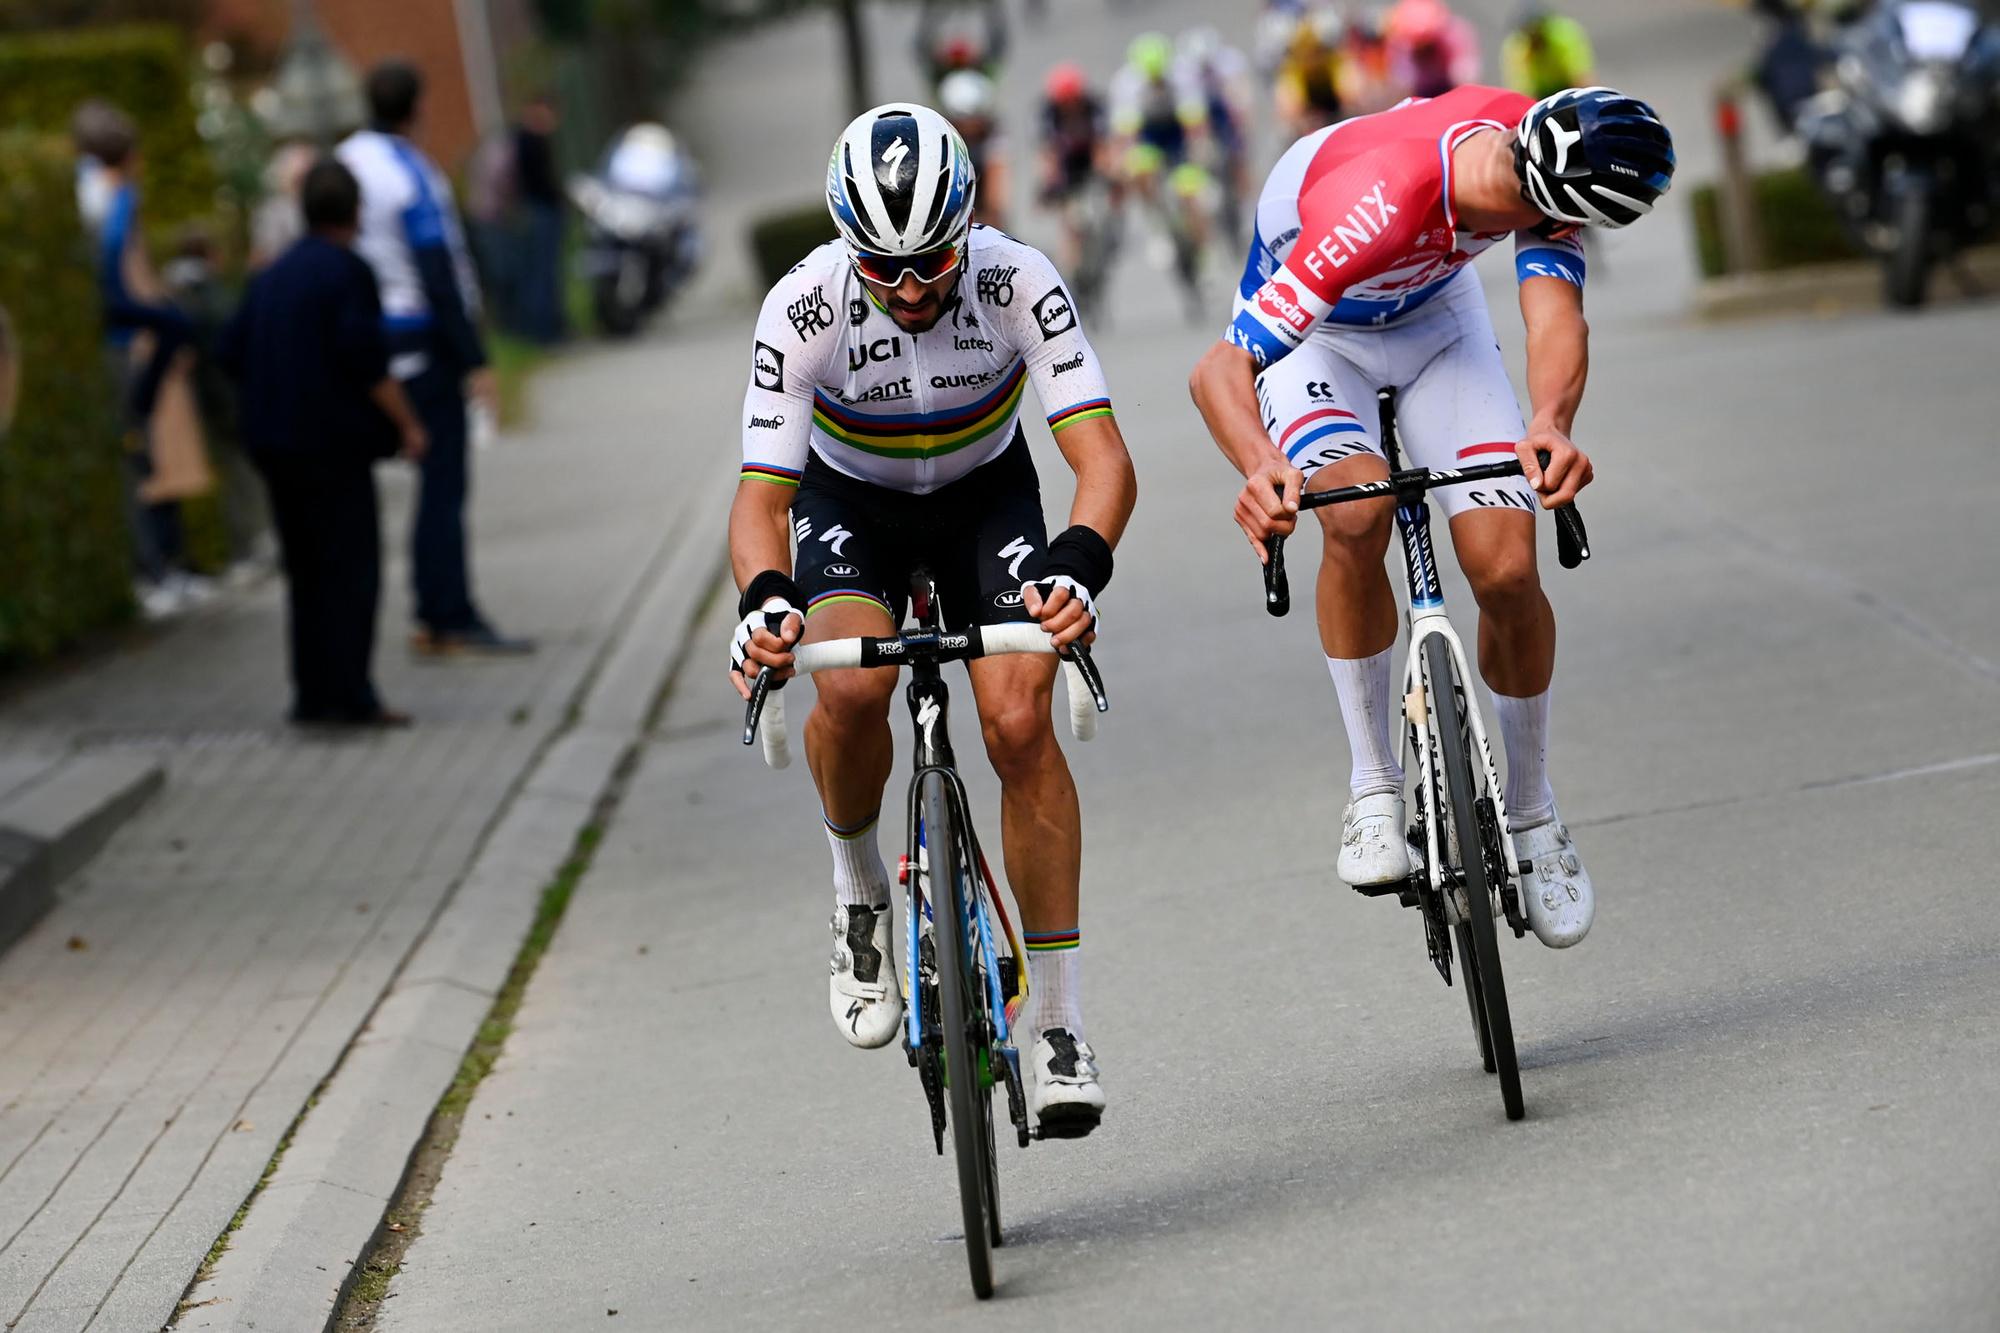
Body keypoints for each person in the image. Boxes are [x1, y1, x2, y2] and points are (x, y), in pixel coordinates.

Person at [729, 104, 1138, 1134]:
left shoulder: (1016, 280)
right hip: (847, 505)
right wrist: (766, 600)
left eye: (931, 265)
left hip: (983, 497)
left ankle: (1054, 1022)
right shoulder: (803, 306)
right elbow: (761, 501)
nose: (910, 291)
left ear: (967, 232)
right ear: (846, 247)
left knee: (1014, 719)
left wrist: (1077, 566)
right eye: (884, 268)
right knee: (854, 683)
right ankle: (860, 885)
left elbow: (1100, 458)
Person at [1188, 86, 1675, 949]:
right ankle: (1374, 784)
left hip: (1439, 320)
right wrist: (1261, 465)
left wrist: (1550, 423)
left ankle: (1532, 814)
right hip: (1318, 336)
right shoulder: (1383, 199)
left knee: (1508, 570)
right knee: (1357, 513)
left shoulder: (1549, 147)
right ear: (1537, 184)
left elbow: (1555, 312)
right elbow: (1218, 371)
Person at [218, 159, 428, 728]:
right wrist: (408, 423)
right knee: (351, 569)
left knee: (305, 571)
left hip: (273, 444)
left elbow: (230, 351)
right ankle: (352, 694)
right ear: (355, 213)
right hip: (332, 446)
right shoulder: (347, 271)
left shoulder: (270, 275)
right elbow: (366, 359)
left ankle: (311, 694)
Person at [338, 60, 533, 658]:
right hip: (422, 340)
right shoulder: (408, 172)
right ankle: (446, 613)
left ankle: (430, 613)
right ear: (416, 108)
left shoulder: (344, 159)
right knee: (442, 484)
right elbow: (436, 270)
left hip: (368, 336)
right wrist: (473, 358)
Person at [71, 99, 211, 618]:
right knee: (137, 449)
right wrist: (160, 322)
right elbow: (117, 272)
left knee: (142, 449)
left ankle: (163, 564)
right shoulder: (113, 196)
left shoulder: (89, 190)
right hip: (124, 339)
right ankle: (155, 567)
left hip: (126, 335)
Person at [1110, 32, 1214, 302]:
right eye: (1150, 77)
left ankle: (1204, 261)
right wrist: (1124, 162)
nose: (1155, 81)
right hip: (1148, 137)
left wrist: (1198, 154)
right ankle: (1157, 228)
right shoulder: (1127, 83)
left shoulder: (1182, 76)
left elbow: (1194, 124)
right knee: (1139, 171)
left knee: (1192, 197)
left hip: (1176, 137)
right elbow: (1127, 133)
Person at [1037, 62, 1114, 281]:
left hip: (1089, 164)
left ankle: (1103, 251)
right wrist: (1050, 183)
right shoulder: (1048, 115)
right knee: (1071, 224)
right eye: (1064, 103)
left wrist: (1106, 175)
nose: (1070, 107)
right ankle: (1070, 274)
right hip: (1067, 169)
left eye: (1074, 101)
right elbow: (1048, 153)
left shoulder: (1094, 107)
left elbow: (1102, 146)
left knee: (1101, 212)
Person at [511, 94, 566, 345]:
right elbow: (539, 182)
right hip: (541, 210)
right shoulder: (529, 140)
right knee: (542, 271)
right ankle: (545, 330)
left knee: (545, 271)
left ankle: (550, 326)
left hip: (541, 209)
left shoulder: (530, 140)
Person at [939, 68, 1008, 229]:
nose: (972, 126)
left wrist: (994, 216)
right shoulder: (943, 133)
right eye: (965, 120)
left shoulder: (994, 134)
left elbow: (997, 180)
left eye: (977, 118)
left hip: (982, 200)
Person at [1384, 0, 1482, 97]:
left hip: (1451, 88)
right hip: (1420, 91)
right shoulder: (1401, 44)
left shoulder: (1454, 36)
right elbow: (1402, 83)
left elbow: (1465, 74)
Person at [1502, 5, 1597, 100]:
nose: (1534, 39)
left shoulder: (1563, 36)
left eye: (1536, 33)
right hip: (1541, 91)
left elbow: (1580, 76)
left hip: (1566, 85)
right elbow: (1522, 86)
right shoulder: (1519, 46)